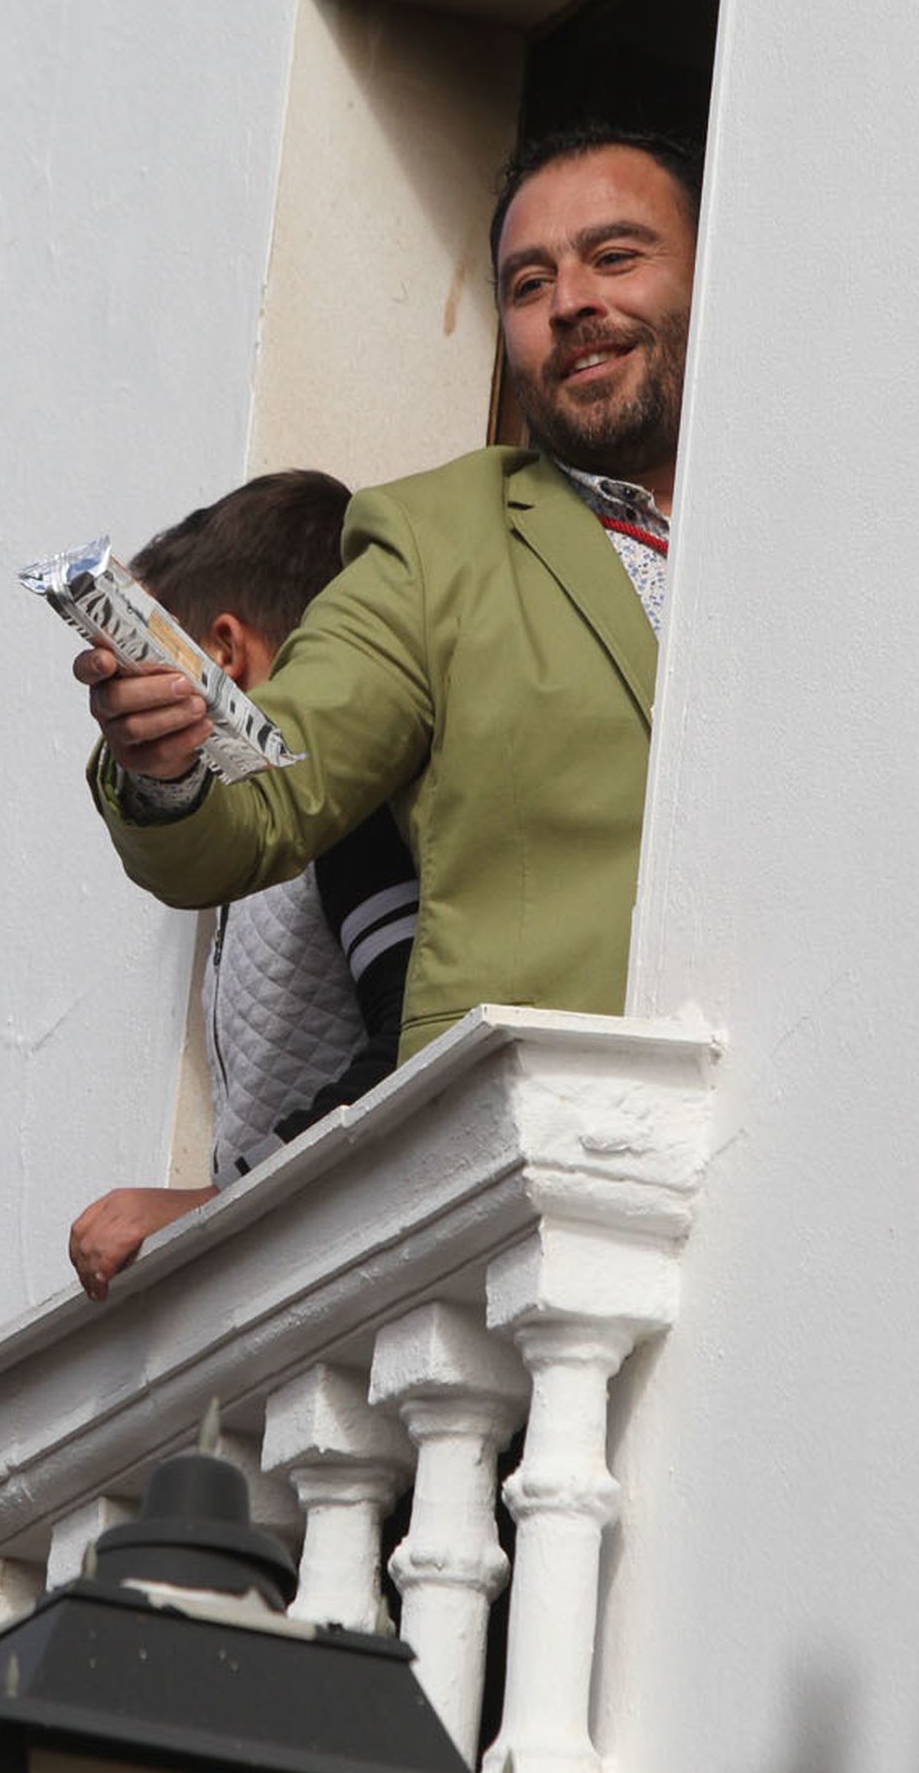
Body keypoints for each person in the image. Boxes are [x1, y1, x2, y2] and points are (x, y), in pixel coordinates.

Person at [75, 123, 698, 1071]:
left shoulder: (841, 507)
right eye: (529, 285)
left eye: (614, 257)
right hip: (564, 1160)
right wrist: (168, 772)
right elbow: (266, 796)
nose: (571, 301)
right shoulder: (435, 541)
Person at [68, 470, 419, 1300]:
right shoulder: (247, 863)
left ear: (223, 653)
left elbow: (413, 1037)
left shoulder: (346, 820)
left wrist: (210, 1204)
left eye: (146, 663)